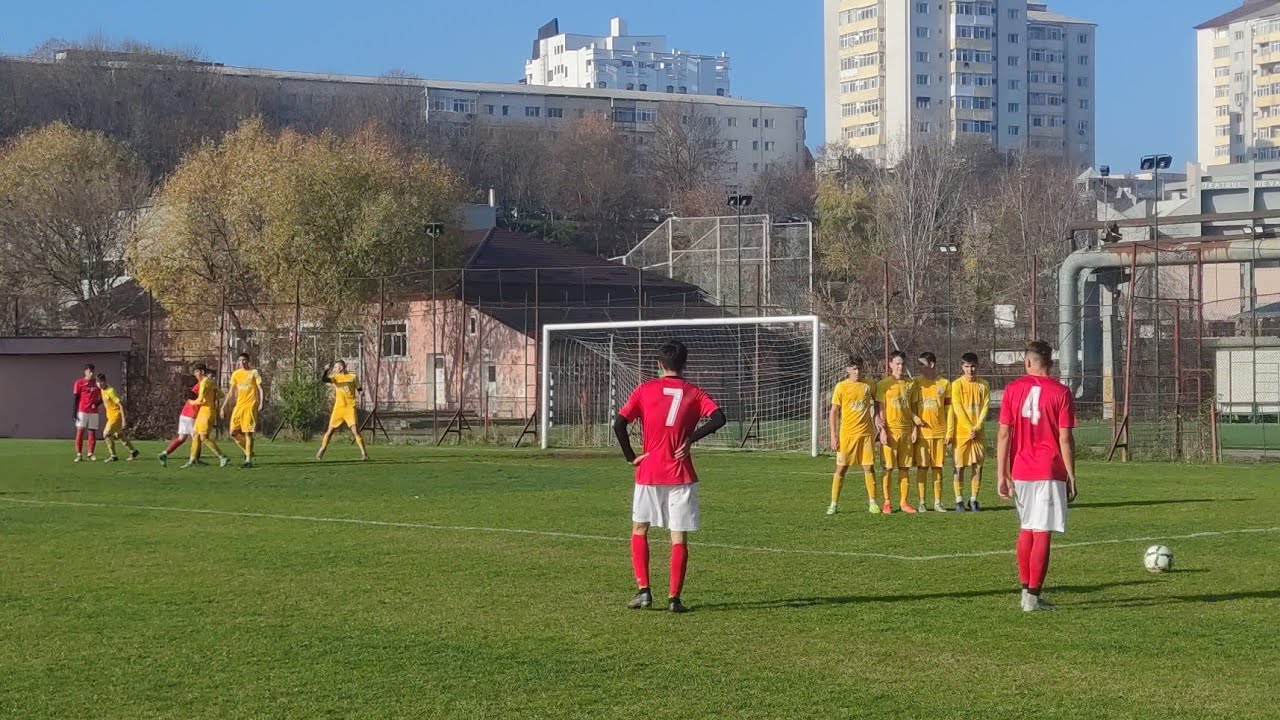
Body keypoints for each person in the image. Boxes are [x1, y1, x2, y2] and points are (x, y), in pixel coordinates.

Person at [612, 339, 726, 613]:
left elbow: (619, 424)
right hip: (681, 473)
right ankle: (674, 598)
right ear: (684, 364)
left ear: (659, 364)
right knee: (679, 537)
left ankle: (644, 591)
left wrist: (631, 457)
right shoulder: (694, 392)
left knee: (640, 529)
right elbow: (719, 418)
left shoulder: (644, 389)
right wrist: (690, 439)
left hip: (649, 471)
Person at [997, 341, 1078, 612]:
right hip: (1049, 470)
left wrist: (1002, 474)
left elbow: (1004, 434)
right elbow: (1065, 439)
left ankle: (1025, 592)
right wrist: (1071, 475)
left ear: (1027, 362)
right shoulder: (1061, 392)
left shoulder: (1012, 390)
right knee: (1042, 530)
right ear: (1050, 363)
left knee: (1027, 528)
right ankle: (1032, 598)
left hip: (1021, 470)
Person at [828, 356, 879, 515]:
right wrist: (833, 436)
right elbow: (834, 412)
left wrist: (878, 422)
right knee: (841, 468)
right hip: (847, 435)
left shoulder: (869, 385)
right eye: (854, 369)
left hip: (865, 434)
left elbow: (878, 404)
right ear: (848, 370)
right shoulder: (841, 387)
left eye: (860, 368)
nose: (858, 372)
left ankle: (872, 502)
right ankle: (834, 503)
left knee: (869, 467)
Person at [875, 351, 919, 514]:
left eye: (903, 364)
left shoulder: (910, 384)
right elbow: (880, 410)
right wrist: (883, 431)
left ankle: (904, 502)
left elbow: (913, 409)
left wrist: (915, 428)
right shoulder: (883, 384)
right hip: (890, 432)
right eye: (897, 363)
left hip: (906, 431)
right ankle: (887, 502)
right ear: (890, 364)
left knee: (904, 468)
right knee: (887, 468)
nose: (900, 367)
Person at [947, 352, 992, 512]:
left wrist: (977, 427)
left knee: (977, 467)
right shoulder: (956, 385)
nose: (970, 370)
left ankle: (973, 499)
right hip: (961, 434)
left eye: (972, 366)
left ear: (977, 366)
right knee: (959, 467)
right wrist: (968, 428)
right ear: (962, 366)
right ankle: (959, 500)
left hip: (978, 434)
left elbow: (985, 406)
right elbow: (957, 408)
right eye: (966, 366)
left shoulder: (984, 385)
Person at [912, 352, 950, 512]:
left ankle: (937, 502)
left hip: (939, 433)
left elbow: (949, 410)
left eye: (922, 364)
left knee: (937, 468)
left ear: (932, 364)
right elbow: (911, 407)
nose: (919, 367)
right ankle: (921, 502)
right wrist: (915, 419)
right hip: (922, 434)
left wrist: (949, 432)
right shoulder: (916, 383)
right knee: (922, 467)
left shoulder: (945, 384)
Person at [316, 360, 367, 461]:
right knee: (330, 431)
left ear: (341, 367)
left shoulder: (353, 376)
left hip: (349, 407)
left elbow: (359, 388)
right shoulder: (335, 377)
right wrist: (325, 370)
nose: (334, 369)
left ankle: (364, 453)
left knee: (355, 430)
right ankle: (323, 448)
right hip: (338, 408)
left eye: (335, 367)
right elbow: (324, 379)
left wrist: (361, 393)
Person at [183, 363, 230, 469]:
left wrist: (191, 402)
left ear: (202, 372)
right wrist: (211, 399)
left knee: (204, 437)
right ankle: (192, 460)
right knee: (195, 434)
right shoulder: (211, 382)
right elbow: (221, 394)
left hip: (207, 412)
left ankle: (222, 456)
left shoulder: (204, 382)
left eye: (196, 372)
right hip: (204, 411)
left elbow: (199, 400)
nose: (195, 375)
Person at [222, 353, 264, 467]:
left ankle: (248, 460)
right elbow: (231, 392)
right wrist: (223, 406)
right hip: (239, 406)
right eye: (240, 360)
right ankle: (248, 451)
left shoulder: (254, 373)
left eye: (244, 360)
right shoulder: (236, 374)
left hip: (250, 406)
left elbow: (260, 389)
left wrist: (261, 403)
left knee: (248, 433)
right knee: (233, 432)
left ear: (248, 361)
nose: (242, 362)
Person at [95, 373, 139, 462]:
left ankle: (113, 456)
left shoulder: (110, 391)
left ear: (105, 381)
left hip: (116, 416)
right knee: (120, 435)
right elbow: (103, 400)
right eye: (98, 383)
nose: (100, 384)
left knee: (106, 434)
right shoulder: (102, 390)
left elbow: (120, 404)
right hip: (111, 416)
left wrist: (123, 420)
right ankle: (133, 451)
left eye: (101, 382)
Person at [159, 378, 201, 467]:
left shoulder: (202, 385)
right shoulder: (200, 385)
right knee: (197, 437)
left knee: (181, 438)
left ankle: (164, 454)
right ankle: (194, 460)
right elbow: (192, 395)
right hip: (191, 414)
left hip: (184, 414)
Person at [72, 364, 102, 462]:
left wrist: (96, 404)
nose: (92, 373)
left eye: (93, 371)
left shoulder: (96, 383)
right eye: (90, 371)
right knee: (80, 432)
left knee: (92, 432)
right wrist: (74, 412)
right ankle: (79, 454)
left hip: (93, 411)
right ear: (85, 372)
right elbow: (76, 399)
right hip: (82, 411)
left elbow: (102, 397)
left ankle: (90, 454)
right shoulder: (79, 382)